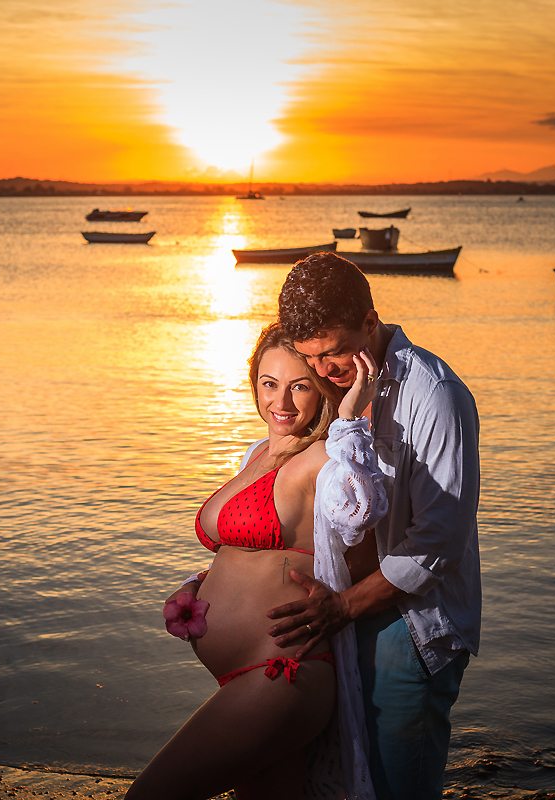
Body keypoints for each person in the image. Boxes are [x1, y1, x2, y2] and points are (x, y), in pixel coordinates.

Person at [127, 322, 387, 800]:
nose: (281, 402)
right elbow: (244, 549)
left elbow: (362, 509)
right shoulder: (259, 454)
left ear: (323, 388)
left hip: (281, 673)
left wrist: (350, 415)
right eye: (269, 384)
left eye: (299, 386)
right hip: (249, 675)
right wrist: (199, 582)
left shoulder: (325, 456)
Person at [267, 252, 482, 800]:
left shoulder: (435, 396)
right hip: (339, 619)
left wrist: (341, 607)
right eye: (310, 356)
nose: (322, 368)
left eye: (334, 351)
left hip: (411, 622)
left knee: (395, 787)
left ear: (370, 322)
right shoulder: (332, 389)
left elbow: (438, 544)